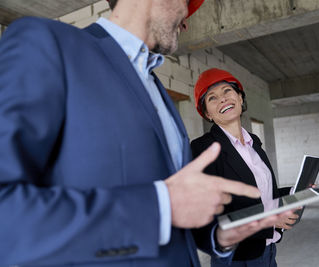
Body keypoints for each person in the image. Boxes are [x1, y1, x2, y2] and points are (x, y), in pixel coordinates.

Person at [0, 0, 296, 266]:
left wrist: (218, 235)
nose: (185, 22)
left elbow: (175, 211)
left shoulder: (157, 91)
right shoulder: (46, 43)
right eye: (186, 4)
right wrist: (160, 206)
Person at [191, 68, 299, 266]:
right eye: (212, 98)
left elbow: (262, 194)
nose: (223, 99)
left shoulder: (254, 144)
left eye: (227, 91)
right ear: (207, 113)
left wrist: (295, 192)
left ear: (240, 98)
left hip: (268, 250)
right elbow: (211, 217)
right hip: (237, 258)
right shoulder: (203, 149)